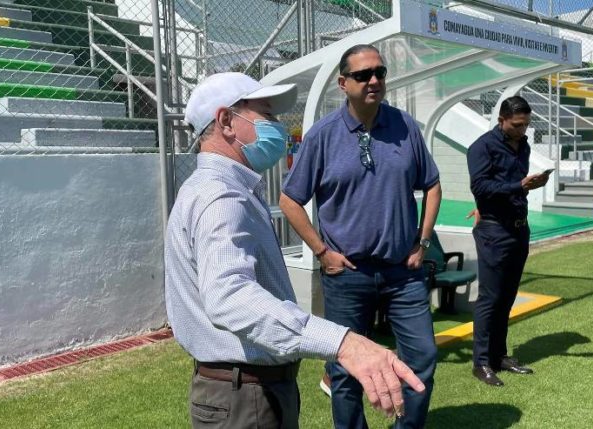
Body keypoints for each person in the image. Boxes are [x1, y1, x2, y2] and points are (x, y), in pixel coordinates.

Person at [165, 72, 425, 429]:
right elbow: (228, 295)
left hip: (248, 390)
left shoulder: (215, 189)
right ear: (226, 121)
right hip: (245, 396)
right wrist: (345, 343)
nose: (278, 127)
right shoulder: (221, 196)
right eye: (267, 115)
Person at [279, 44, 441, 429]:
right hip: (347, 275)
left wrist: (423, 242)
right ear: (342, 83)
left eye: (380, 73)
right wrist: (321, 252)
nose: (374, 81)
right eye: (364, 75)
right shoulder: (322, 136)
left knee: (422, 357)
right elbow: (289, 200)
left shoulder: (404, 127)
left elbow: (432, 186)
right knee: (345, 372)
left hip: (403, 274)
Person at [466, 96, 550, 387]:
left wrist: (529, 185)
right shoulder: (482, 147)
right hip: (494, 231)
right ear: (501, 119)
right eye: (517, 125)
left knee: (507, 296)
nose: (523, 130)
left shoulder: (523, 144)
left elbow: (510, 186)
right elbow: (480, 186)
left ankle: (499, 355)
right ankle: (481, 362)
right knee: (490, 297)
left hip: (518, 229)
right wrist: (519, 185)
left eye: (526, 124)